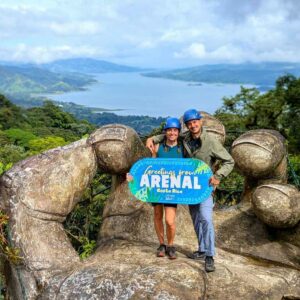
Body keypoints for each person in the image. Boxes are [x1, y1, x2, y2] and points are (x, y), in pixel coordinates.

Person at [146, 109, 234, 272]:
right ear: (187, 126)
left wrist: (218, 176)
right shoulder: (185, 137)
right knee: (195, 218)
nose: (193, 125)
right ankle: (201, 249)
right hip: (190, 187)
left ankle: (209, 256)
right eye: (189, 123)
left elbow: (229, 161)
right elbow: (170, 135)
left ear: (200, 122)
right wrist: (152, 138)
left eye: (195, 122)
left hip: (206, 187)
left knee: (206, 219)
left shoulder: (211, 142)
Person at [128, 117, 183, 259]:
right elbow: (151, 167)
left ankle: (171, 245)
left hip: (172, 189)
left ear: (178, 132)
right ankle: (162, 244)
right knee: (158, 216)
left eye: (175, 130)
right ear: (165, 132)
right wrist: (134, 176)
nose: (172, 133)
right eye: (169, 130)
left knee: (170, 221)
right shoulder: (158, 147)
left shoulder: (182, 149)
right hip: (157, 188)